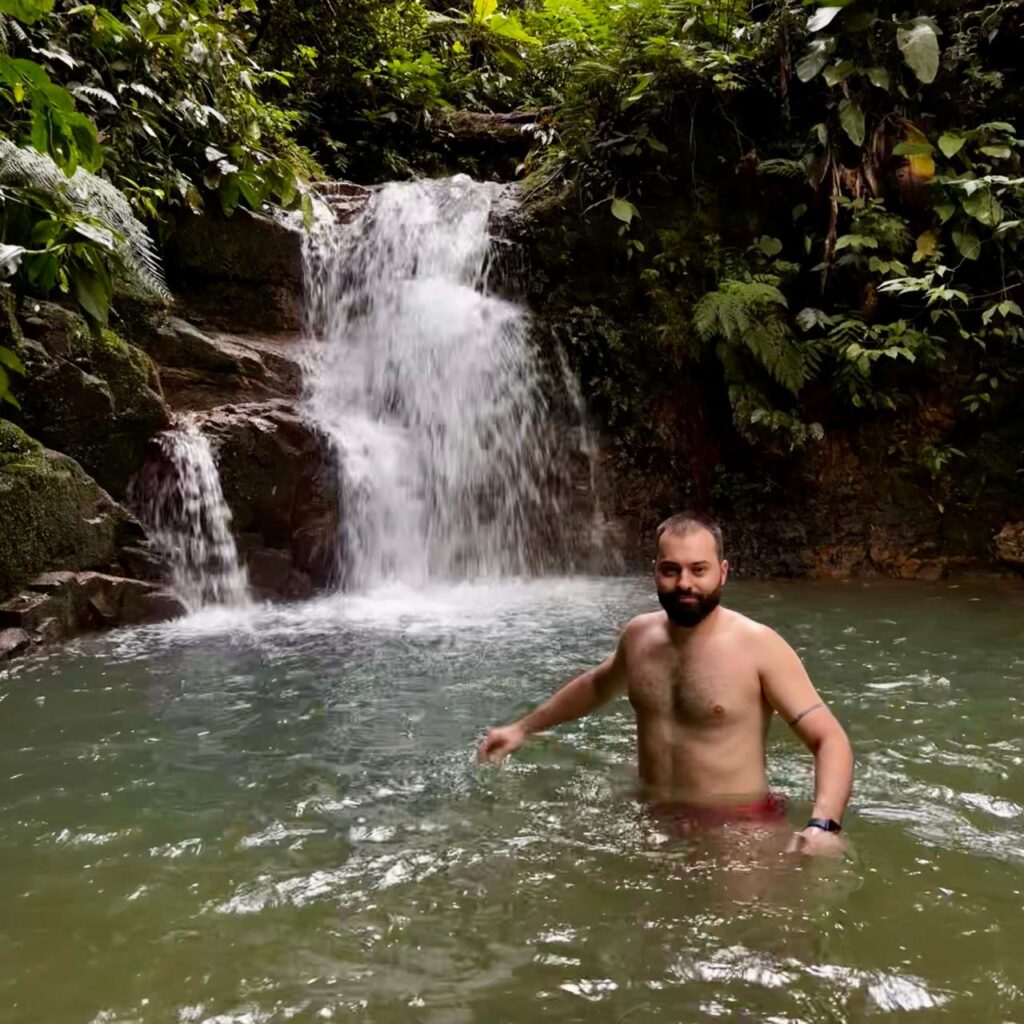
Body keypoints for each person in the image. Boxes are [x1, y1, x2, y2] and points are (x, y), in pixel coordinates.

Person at [477, 513, 854, 855]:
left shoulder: (758, 646)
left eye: (698, 569)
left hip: (737, 828)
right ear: (654, 571)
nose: (684, 583)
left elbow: (829, 739)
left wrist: (823, 825)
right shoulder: (639, 637)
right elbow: (596, 685)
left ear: (722, 572)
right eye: (671, 570)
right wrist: (523, 728)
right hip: (652, 819)